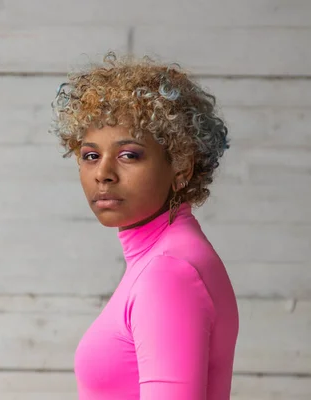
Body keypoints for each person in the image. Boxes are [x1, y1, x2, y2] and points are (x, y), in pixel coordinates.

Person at [50, 53, 239, 399]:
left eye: (129, 155)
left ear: (181, 166)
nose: (103, 173)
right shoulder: (171, 255)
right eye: (91, 155)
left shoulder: (169, 271)